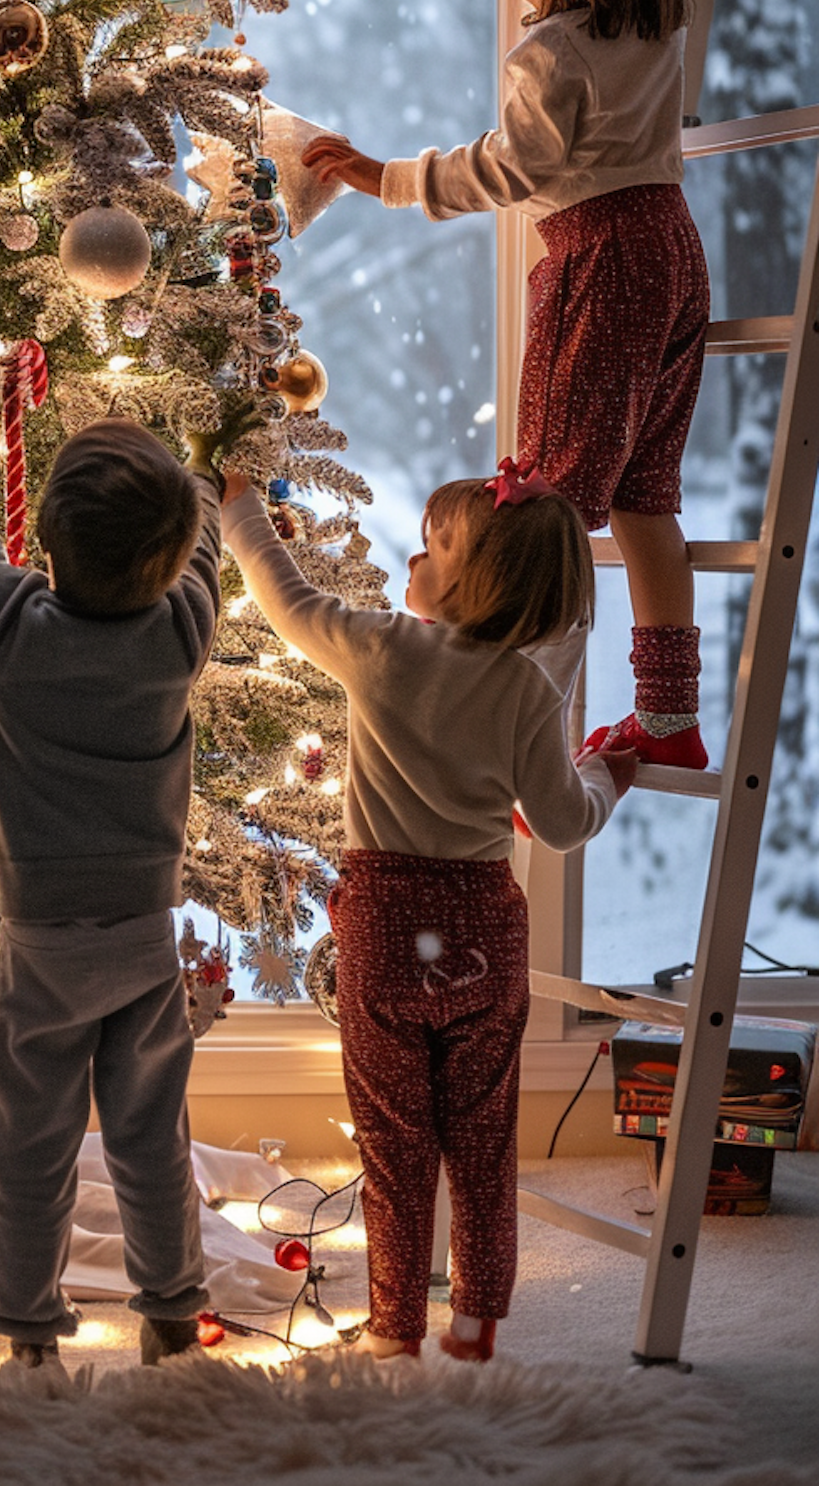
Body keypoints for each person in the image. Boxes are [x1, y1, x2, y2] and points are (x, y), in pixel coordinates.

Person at [302, 0, 710, 770]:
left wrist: (386, 177)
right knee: (646, 497)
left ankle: (517, 736)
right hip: (673, 253)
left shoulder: (554, 53)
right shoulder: (656, 23)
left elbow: (511, 168)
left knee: (544, 509)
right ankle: (667, 716)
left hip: (600, 261)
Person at [222, 457, 638, 1362]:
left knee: (394, 1141)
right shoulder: (531, 692)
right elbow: (564, 824)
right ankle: (480, 1317)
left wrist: (241, 505)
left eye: (433, 547)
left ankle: (394, 1327)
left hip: (384, 928)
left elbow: (283, 595)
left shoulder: (378, 648)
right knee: (483, 1137)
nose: (413, 558)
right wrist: (612, 770)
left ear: (474, 578)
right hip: (484, 928)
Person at [0, 355, 232, 1371]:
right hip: (142, 939)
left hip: (42, 947)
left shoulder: (13, 628)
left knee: (29, 1150)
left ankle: (31, 1332)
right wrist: (203, 476)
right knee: (150, 1139)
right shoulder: (178, 636)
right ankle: (170, 1307)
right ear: (164, 563)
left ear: (47, 547)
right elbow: (202, 559)